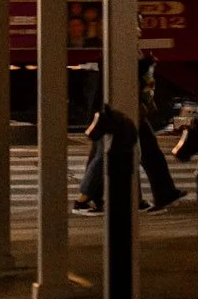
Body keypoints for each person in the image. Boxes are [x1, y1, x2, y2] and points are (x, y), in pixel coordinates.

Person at [72, 57, 183, 213]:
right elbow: (123, 71)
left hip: (126, 108)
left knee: (138, 151)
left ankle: (148, 197)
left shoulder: (117, 48)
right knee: (116, 154)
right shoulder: (119, 45)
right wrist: (145, 64)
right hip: (123, 108)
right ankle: (84, 199)